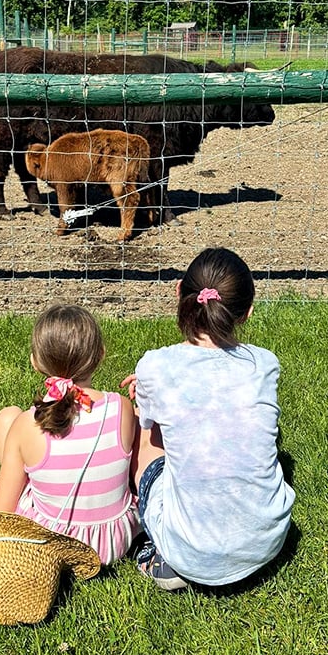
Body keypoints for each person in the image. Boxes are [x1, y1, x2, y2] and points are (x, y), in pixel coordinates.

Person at [125, 247, 295, 590]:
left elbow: (151, 430)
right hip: (268, 542)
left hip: (189, 550)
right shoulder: (265, 364)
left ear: (178, 293)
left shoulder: (155, 366)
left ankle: (159, 553)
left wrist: (143, 405)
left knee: (140, 431)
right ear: (246, 312)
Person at [0, 304, 141, 565]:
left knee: (7, 417)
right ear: (101, 355)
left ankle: (40, 481)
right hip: (113, 542)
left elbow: (0, 513)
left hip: (50, 542)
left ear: (35, 363)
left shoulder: (27, 425)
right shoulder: (122, 408)